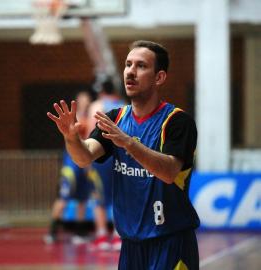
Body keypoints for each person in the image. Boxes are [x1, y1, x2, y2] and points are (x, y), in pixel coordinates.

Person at [47, 40, 200, 269]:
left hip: (171, 242)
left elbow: (168, 172)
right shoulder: (115, 118)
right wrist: (71, 138)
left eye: (141, 66)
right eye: (128, 64)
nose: (131, 71)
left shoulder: (177, 122)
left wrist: (128, 142)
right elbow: (84, 157)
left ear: (159, 77)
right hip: (130, 247)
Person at [44, 90, 94, 244]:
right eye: (82, 99)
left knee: (82, 199)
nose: (85, 102)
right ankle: (52, 231)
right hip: (71, 166)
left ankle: (79, 232)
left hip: (84, 165)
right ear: (77, 101)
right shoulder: (72, 118)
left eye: (87, 100)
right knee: (63, 197)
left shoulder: (91, 118)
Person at [86, 78, 125, 251]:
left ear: (101, 91)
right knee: (119, 195)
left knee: (99, 196)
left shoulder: (96, 106)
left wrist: (87, 159)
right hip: (120, 156)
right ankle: (118, 236)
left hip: (101, 155)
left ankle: (102, 235)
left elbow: (89, 132)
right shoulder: (124, 106)